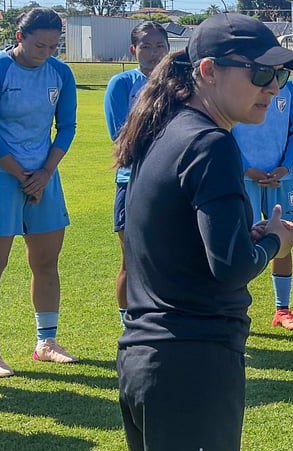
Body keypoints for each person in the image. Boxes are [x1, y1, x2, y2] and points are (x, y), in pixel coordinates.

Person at [113, 13, 293, 451]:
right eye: (260, 73)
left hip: (150, 355)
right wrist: (274, 239)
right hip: (188, 360)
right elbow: (229, 262)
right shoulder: (213, 143)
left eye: (278, 75)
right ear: (206, 72)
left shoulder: (166, 132)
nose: (272, 87)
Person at [0, 7, 78, 377]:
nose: (44, 52)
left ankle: (46, 343)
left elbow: (67, 127)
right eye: (38, 44)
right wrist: (20, 174)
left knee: (46, 262)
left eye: (52, 46)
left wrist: (44, 173)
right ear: (20, 37)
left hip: (44, 178)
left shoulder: (60, 73)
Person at [231, 70, 293, 330]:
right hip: (243, 177)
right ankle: (235, 309)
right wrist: (246, 169)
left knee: (283, 239)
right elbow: (225, 130)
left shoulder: (290, 89)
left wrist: (284, 167)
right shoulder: (241, 85)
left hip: (280, 177)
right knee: (239, 242)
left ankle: (282, 310)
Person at [105, 21, 168, 324]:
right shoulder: (121, 84)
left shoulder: (181, 83)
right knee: (131, 261)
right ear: (133, 50)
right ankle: (128, 325)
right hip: (132, 182)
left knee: (169, 258)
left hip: (170, 184)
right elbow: (121, 139)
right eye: (146, 46)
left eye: (160, 46)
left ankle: (164, 321)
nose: (154, 53)